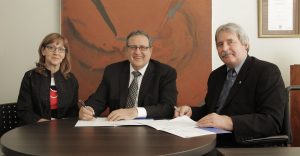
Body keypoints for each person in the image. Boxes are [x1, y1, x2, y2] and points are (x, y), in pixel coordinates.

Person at [174, 23, 286, 146]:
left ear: (245, 44)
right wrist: (191, 112)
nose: (224, 48)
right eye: (220, 44)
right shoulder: (216, 75)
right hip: (210, 140)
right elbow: (211, 110)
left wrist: (229, 121)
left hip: (244, 145)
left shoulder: (266, 71)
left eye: (230, 42)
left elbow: (272, 121)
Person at [79, 30, 178, 121]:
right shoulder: (113, 71)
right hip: (117, 129)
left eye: (142, 47)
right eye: (133, 47)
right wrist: (89, 110)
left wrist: (136, 112)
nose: (137, 52)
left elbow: (168, 108)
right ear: (126, 50)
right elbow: (98, 100)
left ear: (150, 50)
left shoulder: (165, 73)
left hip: (151, 133)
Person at [17, 33, 79, 125]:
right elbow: (24, 110)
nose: (56, 53)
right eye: (51, 48)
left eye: (61, 49)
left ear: (65, 54)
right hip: (35, 129)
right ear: (43, 51)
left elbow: (73, 111)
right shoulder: (30, 77)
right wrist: (45, 124)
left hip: (63, 130)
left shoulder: (71, 79)